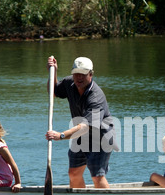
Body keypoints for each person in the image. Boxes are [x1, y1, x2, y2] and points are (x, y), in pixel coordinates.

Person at [45, 56, 116, 188]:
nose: (79, 78)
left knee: (97, 176)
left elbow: (85, 127)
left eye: (83, 74)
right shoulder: (69, 83)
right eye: (76, 74)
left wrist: (61, 135)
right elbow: (53, 91)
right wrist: (53, 71)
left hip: (100, 138)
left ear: (91, 74)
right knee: (74, 173)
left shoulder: (96, 97)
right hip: (81, 136)